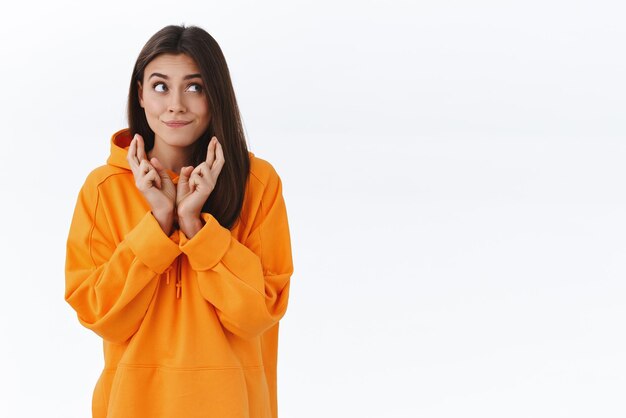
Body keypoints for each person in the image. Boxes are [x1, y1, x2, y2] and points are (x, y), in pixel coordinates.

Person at [64, 24, 293, 418]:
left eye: (194, 87)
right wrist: (157, 222)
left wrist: (194, 227)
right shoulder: (103, 189)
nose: (175, 105)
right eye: (159, 87)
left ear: (215, 94)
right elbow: (99, 314)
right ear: (140, 93)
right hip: (132, 406)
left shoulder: (257, 183)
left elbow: (258, 314)